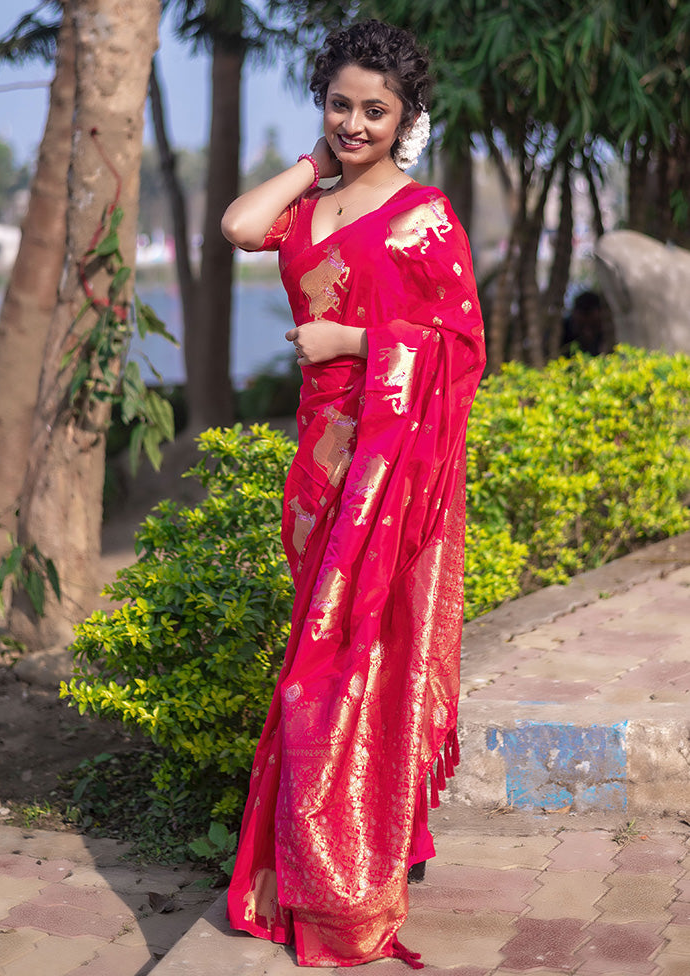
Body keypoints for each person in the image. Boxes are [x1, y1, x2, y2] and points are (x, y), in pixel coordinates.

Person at [221, 19, 486, 969]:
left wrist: (356, 345)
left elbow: (463, 351)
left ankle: (355, 874)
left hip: (391, 470)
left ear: (407, 117)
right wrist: (315, 163)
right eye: (341, 103)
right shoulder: (307, 206)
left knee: (361, 658)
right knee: (318, 658)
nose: (355, 122)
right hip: (319, 469)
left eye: (377, 110)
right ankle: (311, 862)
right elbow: (240, 227)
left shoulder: (427, 217)